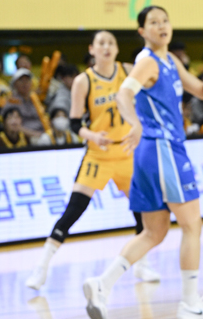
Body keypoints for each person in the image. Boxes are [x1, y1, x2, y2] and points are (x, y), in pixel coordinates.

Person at [82, 6, 203, 319]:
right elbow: (123, 95)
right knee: (192, 225)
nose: (161, 26)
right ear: (142, 31)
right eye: (153, 22)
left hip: (150, 153)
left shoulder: (170, 61)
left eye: (165, 20)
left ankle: (102, 284)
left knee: (153, 232)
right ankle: (190, 303)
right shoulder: (148, 62)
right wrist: (135, 123)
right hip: (163, 148)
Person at [25, 31, 157, 290]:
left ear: (116, 49)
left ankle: (142, 264)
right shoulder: (83, 80)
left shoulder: (128, 71)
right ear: (92, 49)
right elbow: (75, 123)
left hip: (127, 152)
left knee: (143, 211)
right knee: (74, 209)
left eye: (111, 43)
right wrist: (93, 136)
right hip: (98, 154)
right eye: (101, 43)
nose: (106, 47)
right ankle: (42, 267)